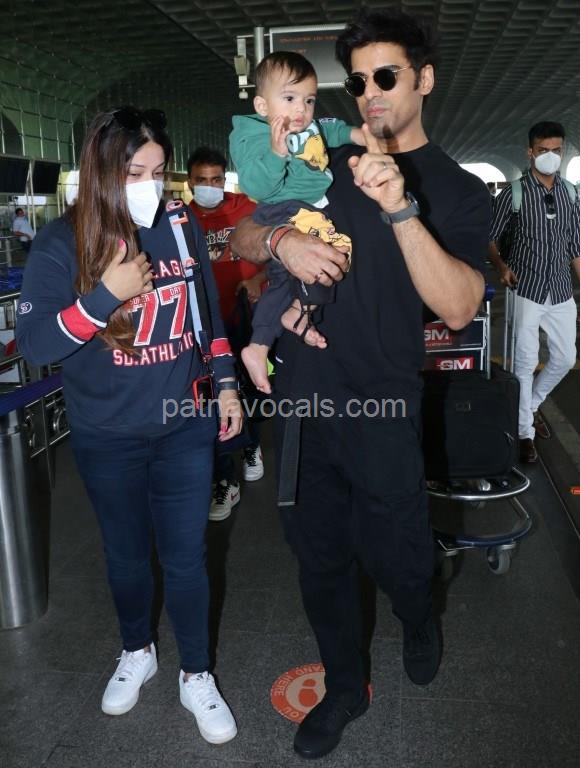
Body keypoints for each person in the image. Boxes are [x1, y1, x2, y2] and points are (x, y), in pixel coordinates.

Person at [230, 8, 489, 760]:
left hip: (383, 405)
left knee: (402, 553)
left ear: (424, 80)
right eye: (358, 81)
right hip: (304, 402)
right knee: (318, 558)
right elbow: (243, 233)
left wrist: (399, 206)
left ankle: (419, 613)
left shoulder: (456, 189)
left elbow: (459, 305)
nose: (370, 92)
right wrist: (281, 238)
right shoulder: (322, 158)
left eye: (387, 76)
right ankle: (345, 685)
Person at [16, 106, 242, 745]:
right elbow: (36, 343)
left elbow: (208, 317)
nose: (149, 185)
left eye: (158, 171)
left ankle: (196, 672)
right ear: (100, 173)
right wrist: (104, 297)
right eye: (134, 172)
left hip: (183, 424)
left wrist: (226, 385)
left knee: (187, 556)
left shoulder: (180, 226)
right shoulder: (62, 242)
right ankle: (137, 649)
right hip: (106, 433)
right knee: (124, 556)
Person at [229, 51, 365, 394]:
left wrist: (357, 135)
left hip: (307, 208)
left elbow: (330, 130)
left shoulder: (308, 125)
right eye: (289, 99)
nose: (301, 109)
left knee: (289, 279)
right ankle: (285, 323)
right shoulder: (254, 135)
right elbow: (257, 186)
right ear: (262, 106)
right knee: (328, 257)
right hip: (282, 209)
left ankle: (267, 338)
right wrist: (276, 153)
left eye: (309, 100)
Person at [488, 121, 580, 464]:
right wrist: (501, 266)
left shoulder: (570, 194)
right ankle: (524, 434)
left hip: (561, 290)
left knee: (564, 358)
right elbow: (490, 237)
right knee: (525, 363)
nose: (551, 156)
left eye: (557, 150)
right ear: (530, 152)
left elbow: (576, 245)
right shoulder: (514, 194)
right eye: (544, 150)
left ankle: (530, 406)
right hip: (526, 289)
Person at [187, 146, 266, 521]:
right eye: (201, 180)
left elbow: (277, 253)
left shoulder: (247, 209)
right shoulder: (181, 217)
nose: (209, 186)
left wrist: (257, 280)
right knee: (213, 396)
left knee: (245, 387)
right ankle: (225, 476)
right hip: (203, 323)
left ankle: (249, 445)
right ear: (190, 182)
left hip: (242, 315)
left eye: (216, 179)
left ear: (225, 179)